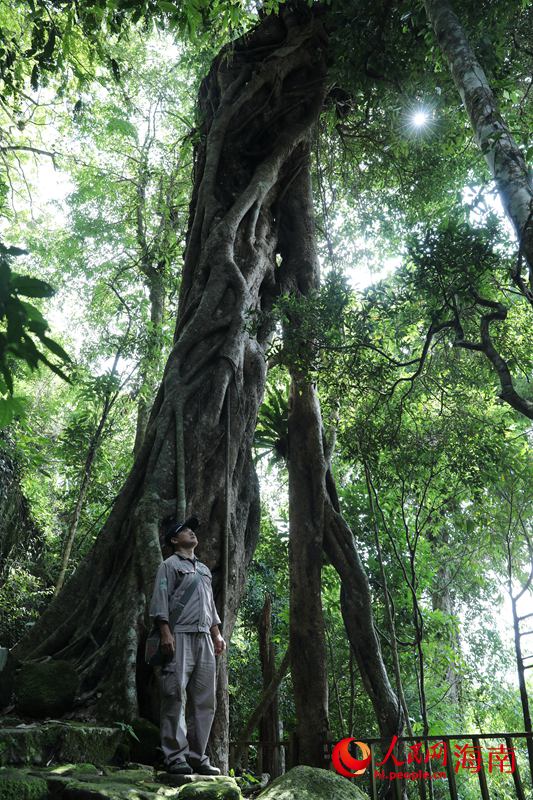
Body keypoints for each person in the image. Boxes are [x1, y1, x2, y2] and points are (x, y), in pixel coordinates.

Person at [149, 515, 226, 775]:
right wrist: (165, 632)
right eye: (185, 531)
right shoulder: (169, 565)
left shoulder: (204, 570)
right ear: (174, 539)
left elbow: (210, 605)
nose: (192, 533)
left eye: (193, 530)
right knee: (174, 695)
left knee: (205, 700)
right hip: (178, 635)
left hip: (204, 637)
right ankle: (175, 756)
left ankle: (197, 756)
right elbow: (160, 598)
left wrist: (217, 633)